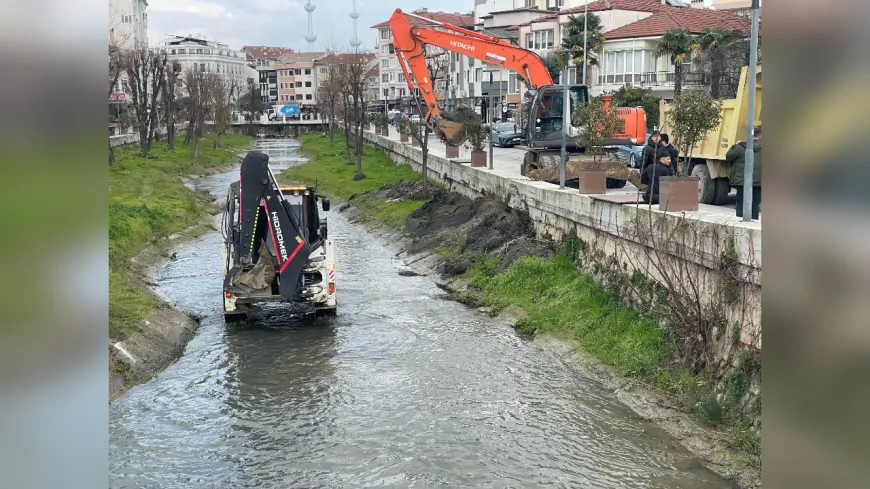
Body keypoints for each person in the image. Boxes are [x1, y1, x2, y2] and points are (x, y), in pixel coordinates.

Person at [725, 125, 762, 219]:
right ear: (760, 136)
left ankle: (740, 223)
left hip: (742, 180)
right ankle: (753, 221)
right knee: (755, 203)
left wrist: (735, 145)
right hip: (759, 181)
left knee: (741, 202)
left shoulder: (740, 147)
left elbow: (729, 156)